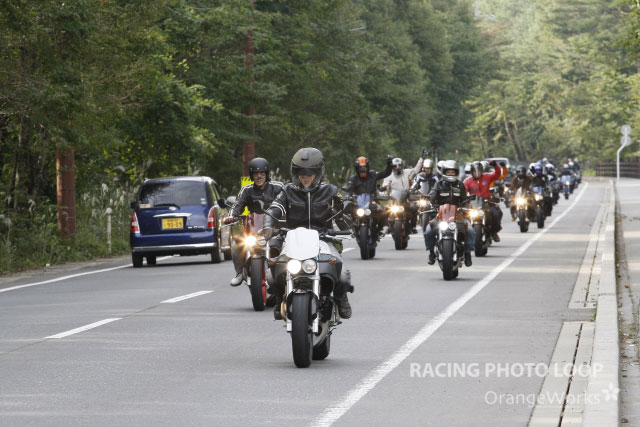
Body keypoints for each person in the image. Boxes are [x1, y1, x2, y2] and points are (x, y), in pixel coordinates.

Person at [261, 148, 353, 319]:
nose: (305, 176)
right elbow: (275, 208)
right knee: (272, 273)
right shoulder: (287, 191)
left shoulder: (331, 191)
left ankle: (341, 299)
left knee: (342, 273)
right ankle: (279, 300)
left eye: (309, 172)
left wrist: (343, 216)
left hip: (323, 238)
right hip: (293, 238)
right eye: (301, 172)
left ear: (318, 173)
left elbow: (345, 216)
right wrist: (267, 226)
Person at [225, 158, 284, 287]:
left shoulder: (278, 187)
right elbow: (237, 205)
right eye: (256, 174)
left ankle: (287, 273)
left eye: (262, 173)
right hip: (253, 229)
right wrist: (231, 216)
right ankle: (239, 273)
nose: (259, 176)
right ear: (252, 175)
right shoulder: (247, 190)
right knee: (236, 245)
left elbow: (287, 203)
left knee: (286, 244)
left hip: (275, 229)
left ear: (266, 174)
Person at [424, 160, 475, 266]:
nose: (450, 174)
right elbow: (433, 196)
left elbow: (465, 200)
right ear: (444, 172)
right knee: (428, 231)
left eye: (452, 172)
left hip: (458, 215)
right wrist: (430, 202)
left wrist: (466, 208)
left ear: (456, 173)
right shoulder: (438, 184)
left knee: (471, 231)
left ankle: (468, 253)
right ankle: (431, 253)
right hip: (440, 215)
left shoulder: (460, 185)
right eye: (448, 172)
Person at [382, 152, 425, 233]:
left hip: (406, 197)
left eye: (399, 166)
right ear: (392, 167)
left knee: (414, 208)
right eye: (395, 166)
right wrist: (383, 188)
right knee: (385, 210)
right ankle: (388, 225)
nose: (398, 168)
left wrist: (421, 158)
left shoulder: (407, 172)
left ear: (402, 166)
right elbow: (385, 185)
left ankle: (413, 226)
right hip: (394, 199)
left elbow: (416, 170)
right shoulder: (389, 175)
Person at [463, 160, 504, 242]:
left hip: (486, 203)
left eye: (479, 171)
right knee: (463, 216)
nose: (477, 173)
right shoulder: (467, 181)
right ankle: (464, 235)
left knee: (495, 214)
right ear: (471, 172)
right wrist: (464, 199)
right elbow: (463, 192)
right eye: (475, 171)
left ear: (482, 171)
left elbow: (498, 174)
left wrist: (495, 166)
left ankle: (494, 232)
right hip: (473, 205)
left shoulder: (487, 177)